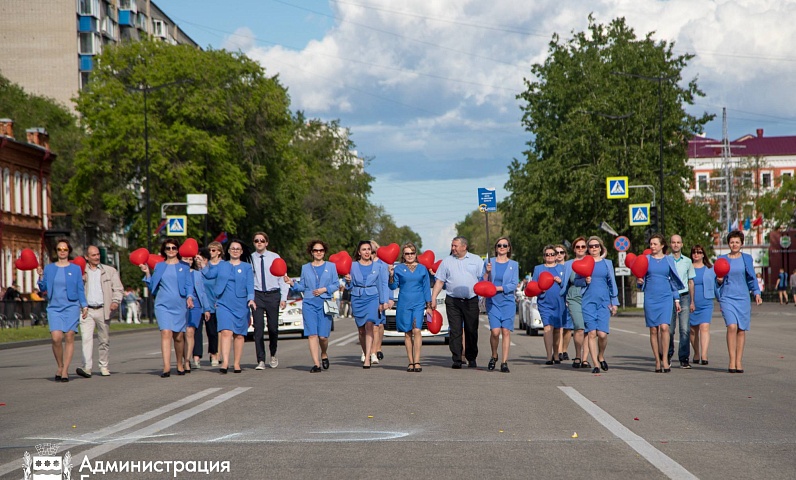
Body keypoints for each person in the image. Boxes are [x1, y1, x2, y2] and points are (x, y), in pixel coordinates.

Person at [140, 238, 194, 378]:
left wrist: (189, 297)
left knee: (178, 336)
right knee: (165, 333)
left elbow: (189, 284)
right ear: (164, 250)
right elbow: (153, 287)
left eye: (174, 248)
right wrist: (147, 273)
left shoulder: (184, 266)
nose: (171, 250)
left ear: (178, 250)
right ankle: (166, 367)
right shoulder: (159, 266)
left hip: (179, 304)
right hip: (162, 304)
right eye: (168, 248)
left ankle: (180, 364)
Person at [36, 239, 88, 382]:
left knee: (69, 335)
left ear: (69, 251)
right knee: (56, 338)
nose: (62, 252)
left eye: (65, 249)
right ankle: (60, 365)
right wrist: (40, 276)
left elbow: (80, 289)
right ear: (56, 251)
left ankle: (65, 370)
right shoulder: (49, 268)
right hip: (54, 307)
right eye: (60, 249)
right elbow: (43, 288)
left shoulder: (75, 269)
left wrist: (84, 305)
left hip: (71, 306)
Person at [431, 236, 484, 369]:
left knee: (471, 330)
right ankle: (457, 358)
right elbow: (439, 281)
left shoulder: (476, 260)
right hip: (453, 301)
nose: (453, 248)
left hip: (471, 300)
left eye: (455, 246)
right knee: (455, 330)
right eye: (452, 245)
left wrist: (484, 297)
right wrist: (433, 298)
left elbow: (483, 279)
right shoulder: (447, 262)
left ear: (464, 247)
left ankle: (471, 357)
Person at [286, 240, 339, 372]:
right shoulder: (305, 267)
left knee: (323, 337)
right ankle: (316, 364)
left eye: (321, 250)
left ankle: (324, 353)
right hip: (309, 303)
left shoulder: (331, 266)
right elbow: (302, 286)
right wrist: (292, 283)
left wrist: (324, 289)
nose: (318, 253)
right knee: (312, 334)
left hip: (325, 303)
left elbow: (336, 284)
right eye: (316, 250)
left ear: (324, 252)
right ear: (311, 252)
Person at [715, 230, 762, 373]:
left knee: (741, 329)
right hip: (727, 297)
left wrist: (756, 293)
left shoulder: (746, 258)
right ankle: (731, 361)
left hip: (742, 297)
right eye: (731, 242)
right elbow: (716, 279)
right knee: (732, 327)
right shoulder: (722, 259)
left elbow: (751, 277)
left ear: (741, 244)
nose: (734, 244)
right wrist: (719, 280)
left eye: (737, 242)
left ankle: (739, 361)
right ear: (728, 243)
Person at [638, 234, 684, 373]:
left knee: (665, 327)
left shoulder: (668, 260)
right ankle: (657, 361)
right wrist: (639, 282)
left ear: (662, 245)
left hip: (665, 297)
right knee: (653, 329)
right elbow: (640, 277)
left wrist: (676, 299)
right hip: (651, 297)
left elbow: (673, 281)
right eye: (651, 244)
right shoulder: (646, 259)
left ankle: (665, 359)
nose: (652, 246)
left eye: (655, 244)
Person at [76, 245, 123, 378]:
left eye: (98, 254)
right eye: (93, 255)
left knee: (104, 340)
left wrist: (115, 301)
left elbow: (118, 289)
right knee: (86, 339)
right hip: (87, 310)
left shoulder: (110, 271)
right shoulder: (80, 272)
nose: (97, 257)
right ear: (87, 257)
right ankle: (87, 367)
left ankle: (103, 365)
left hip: (104, 309)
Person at [577, 236, 619, 374]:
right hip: (588, 301)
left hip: (604, 302)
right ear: (588, 249)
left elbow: (612, 282)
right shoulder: (584, 262)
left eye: (596, 246)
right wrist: (585, 280)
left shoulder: (607, 263)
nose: (594, 248)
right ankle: (595, 363)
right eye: (591, 246)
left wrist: (615, 302)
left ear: (600, 248)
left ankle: (601, 355)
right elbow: (576, 281)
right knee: (592, 333)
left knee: (602, 334)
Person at [388, 243, 432, 373]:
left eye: (412, 253)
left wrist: (429, 306)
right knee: (407, 332)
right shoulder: (399, 268)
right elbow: (393, 286)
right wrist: (390, 275)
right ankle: (410, 362)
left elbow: (426, 288)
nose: (410, 256)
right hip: (404, 303)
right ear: (403, 255)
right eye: (407, 253)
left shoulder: (422, 268)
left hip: (418, 303)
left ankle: (417, 361)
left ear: (416, 254)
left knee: (417, 330)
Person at [345, 241, 389, 369]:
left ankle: (368, 358)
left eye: (369, 249)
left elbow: (382, 285)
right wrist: (348, 281)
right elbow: (349, 286)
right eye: (364, 249)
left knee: (370, 324)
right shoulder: (352, 266)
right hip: (357, 297)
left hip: (372, 297)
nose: (367, 252)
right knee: (361, 329)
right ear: (359, 252)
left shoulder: (378, 266)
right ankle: (366, 352)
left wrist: (383, 301)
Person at [214, 239, 255, 374]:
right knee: (226, 332)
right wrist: (203, 265)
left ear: (241, 252)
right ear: (229, 251)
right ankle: (225, 362)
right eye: (233, 248)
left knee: (239, 334)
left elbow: (250, 285)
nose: (235, 251)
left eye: (238, 249)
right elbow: (208, 276)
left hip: (241, 304)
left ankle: (236, 363)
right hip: (223, 303)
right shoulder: (221, 265)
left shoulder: (247, 267)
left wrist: (251, 299)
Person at [250, 232, 288, 370]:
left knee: (273, 328)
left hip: (273, 294)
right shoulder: (250, 258)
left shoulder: (274, 257)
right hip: (257, 295)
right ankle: (260, 359)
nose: (259, 243)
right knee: (258, 328)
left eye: (262, 240)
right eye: (256, 240)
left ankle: (273, 352)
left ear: (266, 243)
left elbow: (282, 278)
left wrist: (283, 298)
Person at [483, 237, 519, 373]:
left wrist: (499, 288)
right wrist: (487, 272)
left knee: (505, 331)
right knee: (495, 332)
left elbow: (513, 283)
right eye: (499, 245)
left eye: (505, 245)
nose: (502, 247)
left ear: (509, 248)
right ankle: (494, 355)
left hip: (507, 301)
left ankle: (504, 362)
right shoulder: (489, 262)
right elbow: (483, 281)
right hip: (493, 301)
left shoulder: (514, 265)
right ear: (496, 247)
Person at [561, 237, 591, 369]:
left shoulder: (591, 261)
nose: (580, 249)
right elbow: (564, 283)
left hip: (589, 296)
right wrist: (564, 298)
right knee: (579, 327)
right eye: (577, 247)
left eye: (583, 247)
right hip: (574, 295)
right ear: (574, 249)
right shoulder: (568, 264)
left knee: (589, 329)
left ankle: (585, 359)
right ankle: (578, 356)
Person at [533, 245, 566, 364]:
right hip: (544, 302)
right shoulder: (538, 269)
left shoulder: (562, 268)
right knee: (548, 328)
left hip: (559, 303)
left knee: (557, 329)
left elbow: (567, 286)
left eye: (552, 254)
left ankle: (556, 354)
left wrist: (560, 281)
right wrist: (540, 289)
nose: (550, 256)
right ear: (544, 256)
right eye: (548, 254)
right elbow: (533, 285)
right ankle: (548, 356)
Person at [668, 234, 696, 369]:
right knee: (669, 329)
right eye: (673, 242)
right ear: (670, 244)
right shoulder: (666, 260)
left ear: (682, 244)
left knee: (684, 329)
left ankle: (684, 358)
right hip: (669, 297)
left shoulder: (687, 261)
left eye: (678, 242)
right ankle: (667, 355)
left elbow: (691, 282)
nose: (676, 245)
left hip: (684, 296)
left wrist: (692, 301)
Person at [184, 255, 211, 372]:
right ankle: (183, 357)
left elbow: (203, 292)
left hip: (195, 306)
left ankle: (187, 360)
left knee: (190, 331)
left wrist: (206, 308)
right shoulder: (177, 273)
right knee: (180, 334)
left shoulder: (197, 273)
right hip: (180, 305)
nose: (189, 262)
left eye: (191, 259)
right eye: (186, 259)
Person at [689, 245, 715, 365]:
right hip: (691, 303)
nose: (696, 254)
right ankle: (696, 353)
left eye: (699, 252)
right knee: (693, 331)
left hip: (706, 302)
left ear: (703, 254)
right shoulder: (688, 268)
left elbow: (717, 285)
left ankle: (704, 354)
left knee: (704, 327)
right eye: (694, 252)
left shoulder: (710, 269)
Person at [370, 240, 394, 363]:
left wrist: (390, 298)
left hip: (381, 297)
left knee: (379, 325)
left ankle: (378, 347)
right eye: (369, 250)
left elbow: (388, 282)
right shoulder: (364, 264)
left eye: (373, 250)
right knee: (370, 325)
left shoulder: (383, 264)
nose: (371, 253)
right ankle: (370, 350)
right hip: (369, 297)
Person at [201, 242, 224, 366]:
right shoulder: (205, 265)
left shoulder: (223, 265)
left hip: (220, 302)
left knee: (221, 331)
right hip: (208, 303)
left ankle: (218, 353)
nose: (211, 252)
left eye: (214, 250)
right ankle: (213, 353)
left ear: (219, 251)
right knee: (211, 331)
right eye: (209, 250)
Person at [555, 244, 573, 360]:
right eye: (557, 253)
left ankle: (565, 349)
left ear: (565, 254)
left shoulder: (569, 266)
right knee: (559, 327)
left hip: (569, 299)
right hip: (557, 300)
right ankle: (559, 351)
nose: (559, 255)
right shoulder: (552, 267)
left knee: (568, 328)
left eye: (562, 252)